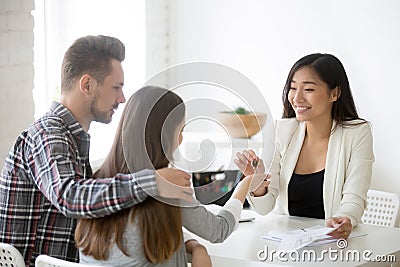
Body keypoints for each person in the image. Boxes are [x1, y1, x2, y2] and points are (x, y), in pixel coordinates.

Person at [0, 35, 193, 266]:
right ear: (87, 85)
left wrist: (189, 242)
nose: (122, 99)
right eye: (116, 88)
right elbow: (70, 196)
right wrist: (152, 182)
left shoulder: (71, 138)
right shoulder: (47, 135)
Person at [75, 86, 252, 267]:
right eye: (180, 130)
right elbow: (218, 230)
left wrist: (193, 245)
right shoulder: (169, 185)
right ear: (164, 135)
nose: (181, 139)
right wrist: (245, 184)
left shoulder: (95, 184)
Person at [235, 53, 374, 240]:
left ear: (335, 93)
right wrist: (258, 182)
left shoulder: (357, 133)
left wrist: (345, 219)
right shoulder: (281, 131)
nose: (297, 98)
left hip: (334, 242)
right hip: (288, 243)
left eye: (308, 89)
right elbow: (264, 208)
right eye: (293, 88)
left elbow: (354, 197)